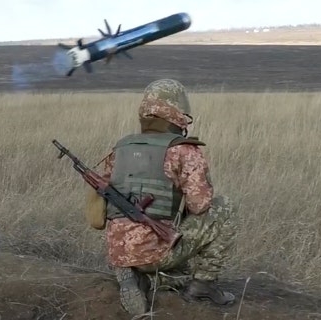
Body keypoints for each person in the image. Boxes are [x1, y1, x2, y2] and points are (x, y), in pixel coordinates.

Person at [90, 79, 237, 315]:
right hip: (156, 252)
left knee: (167, 257)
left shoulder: (120, 148)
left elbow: (100, 207)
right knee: (224, 207)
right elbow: (200, 205)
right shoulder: (184, 150)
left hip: (118, 250)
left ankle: (134, 272)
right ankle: (203, 283)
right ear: (175, 110)